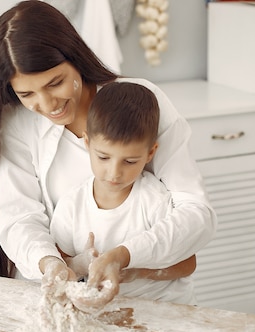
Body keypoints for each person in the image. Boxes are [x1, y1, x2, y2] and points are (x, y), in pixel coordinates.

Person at [0, 0, 216, 303]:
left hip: (151, 302)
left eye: (56, 83)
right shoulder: (17, 123)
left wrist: (126, 257)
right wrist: (49, 262)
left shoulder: (139, 101)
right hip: (70, 298)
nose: (48, 104)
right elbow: (19, 219)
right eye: (27, 94)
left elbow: (196, 214)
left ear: (75, 58)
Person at [49, 82, 196, 307]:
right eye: (104, 157)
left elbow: (188, 264)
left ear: (150, 153)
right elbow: (61, 263)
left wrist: (132, 271)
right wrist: (78, 264)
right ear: (87, 142)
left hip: (163, 309)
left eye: (130, 161)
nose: (114, 173)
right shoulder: (72, 206)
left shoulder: (154, 201)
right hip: (107, 314)